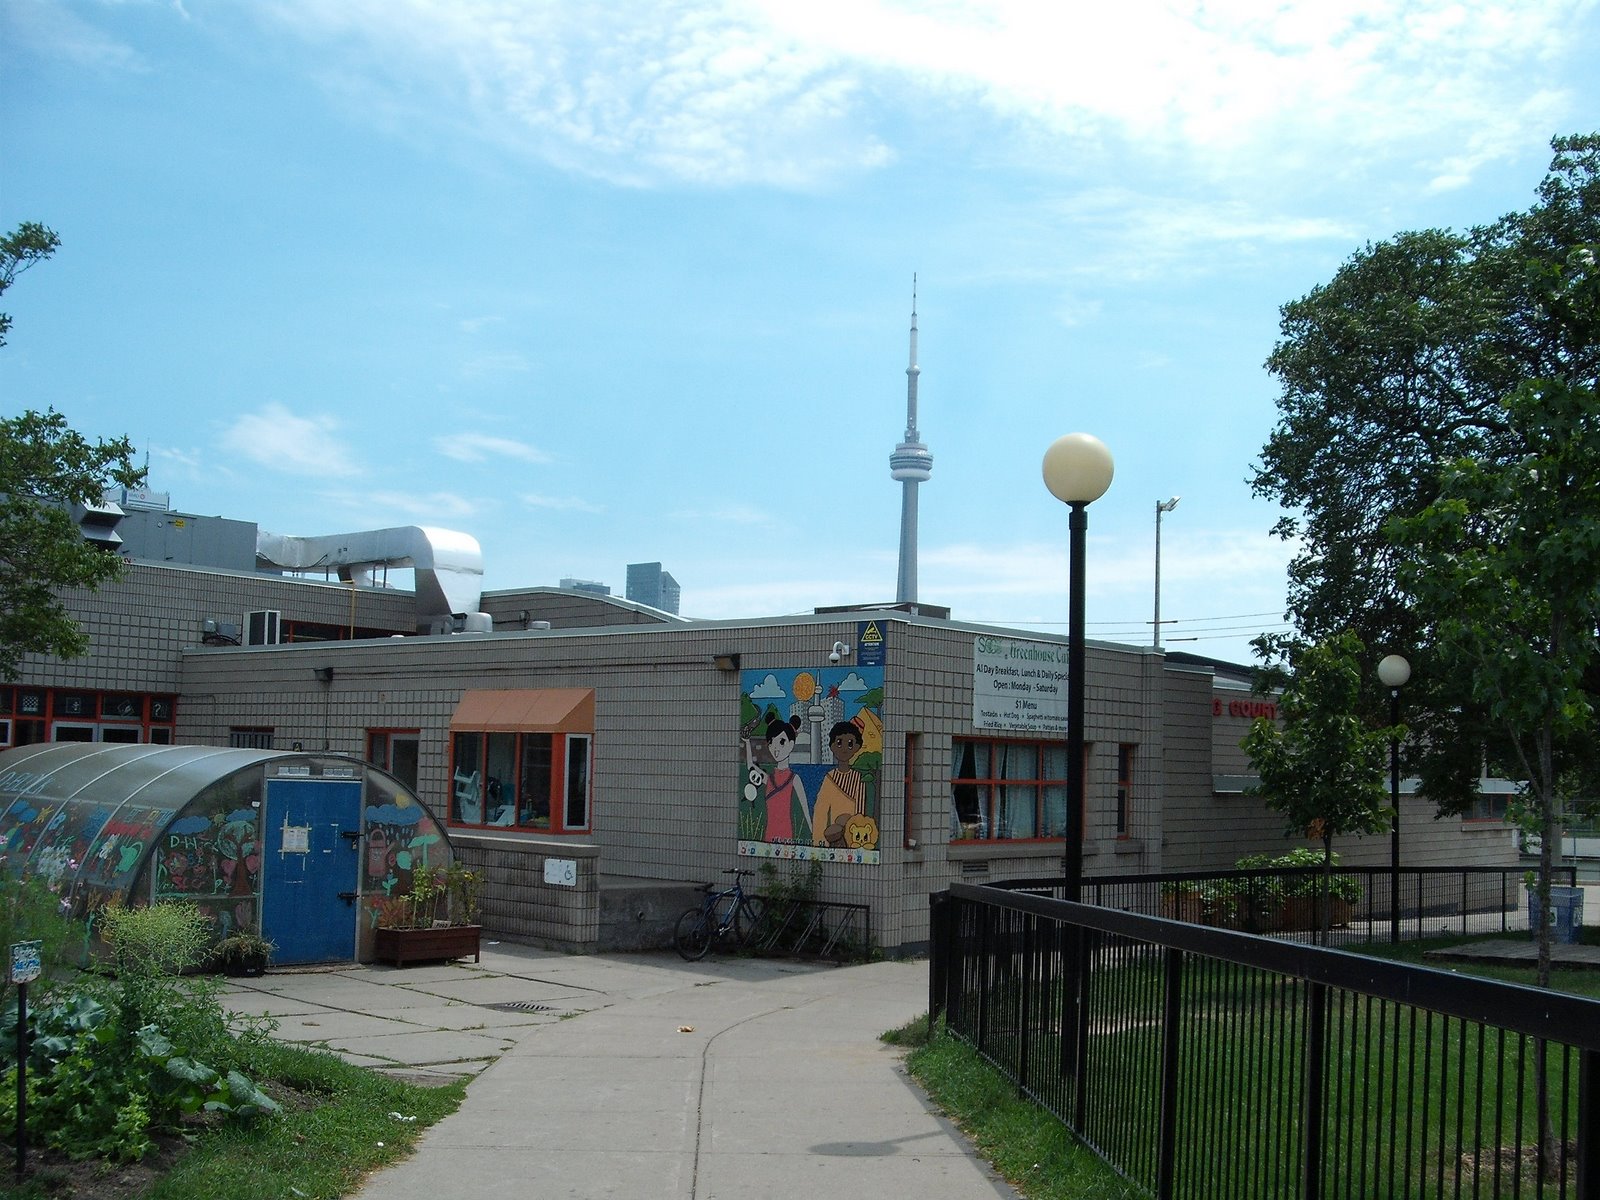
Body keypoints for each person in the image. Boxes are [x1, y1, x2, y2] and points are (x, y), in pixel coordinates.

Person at [813, 720, 866, 847]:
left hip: (853, 838)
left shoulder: (859, 778)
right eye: (839, 743)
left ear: (857, 747)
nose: (844, 749)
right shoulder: (829, 778)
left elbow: (860, 812)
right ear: (832, 746)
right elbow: (820, 811)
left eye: (850, 744)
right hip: (833, 837)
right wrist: (819, 842)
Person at [759, 715, 811, 844]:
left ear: (791, 744)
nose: (775, 748)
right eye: (771, 743)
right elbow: (751, 767)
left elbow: (805, 808)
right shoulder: (769, 779)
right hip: (769, 833)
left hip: (786, 833)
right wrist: (746, 742)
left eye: (782, 742)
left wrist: (812, 830)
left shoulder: (794, 779)